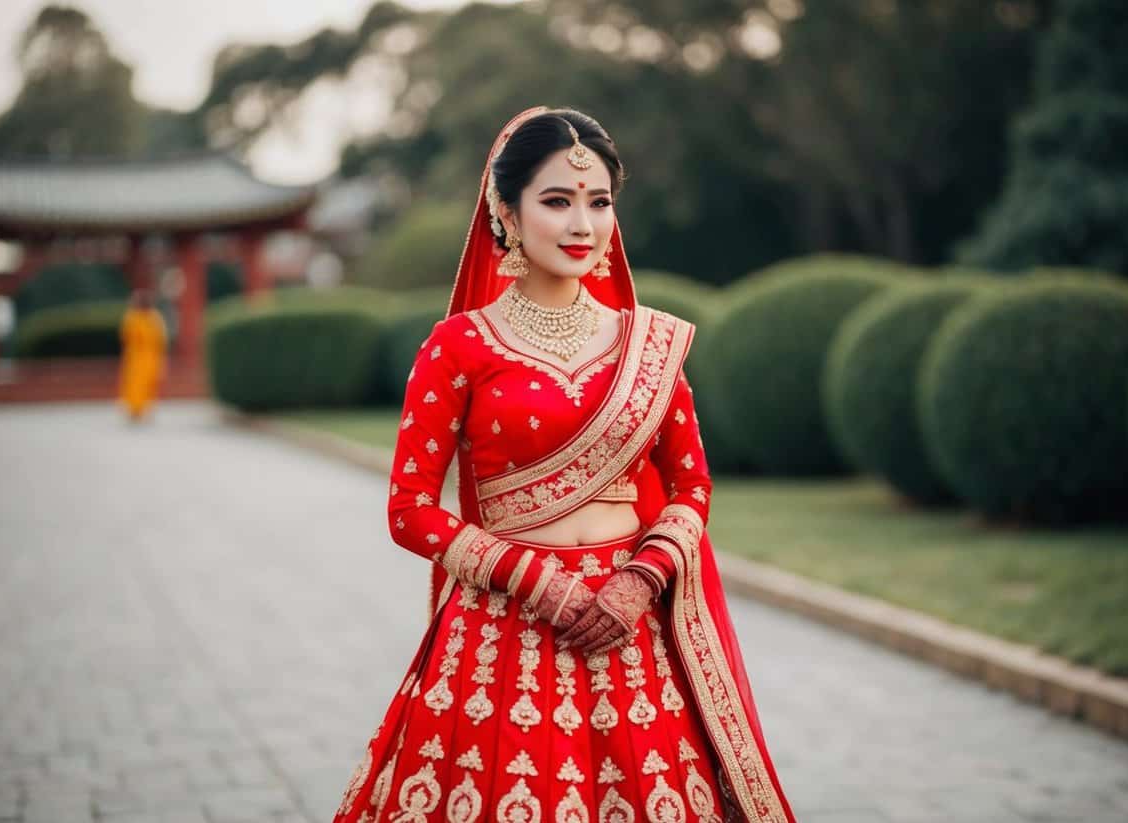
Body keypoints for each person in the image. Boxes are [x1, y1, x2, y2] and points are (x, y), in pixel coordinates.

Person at [333, 107, 796, 823]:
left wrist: (641, 580)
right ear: (505, 213)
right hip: (502, 633)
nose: (583, 223)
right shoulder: (459, 346)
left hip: (628, 628)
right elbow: (409, 508)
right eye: (557, 201)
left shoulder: (646, 343)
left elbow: (691, 484)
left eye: (599, 201)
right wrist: (536, 582)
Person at [117, 288, 168, 422]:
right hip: (135, 356)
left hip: (150, 357)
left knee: (149, 384)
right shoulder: (132, 317)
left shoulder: (154, 317)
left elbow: (160, 339)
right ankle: (134, 410)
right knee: (134, 384)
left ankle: (144, 409)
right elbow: (126, 337)